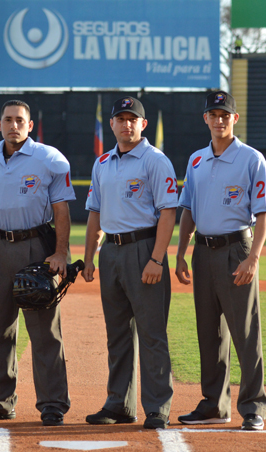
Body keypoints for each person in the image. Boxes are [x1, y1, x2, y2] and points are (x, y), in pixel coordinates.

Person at [0, 100, 75, 427]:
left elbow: (62, 211)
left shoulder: (49, 159)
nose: (14, 125)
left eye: (20, 120)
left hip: (36, 248)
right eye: (8, 120)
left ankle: (53, 403)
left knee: (44, 332)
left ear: (30, 125)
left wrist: (60, 253)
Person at [175, 91, 266, 431]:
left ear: (235, 118)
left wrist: (254, 258)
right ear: (206, 118)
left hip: (236, 250)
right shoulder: (197, 159)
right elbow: (187, 209)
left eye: (225, 114)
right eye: (213, 114)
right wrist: (181, 252)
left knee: (245, 333)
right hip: (202, 250)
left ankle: (253, 407)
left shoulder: (251, 159)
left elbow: (263, 214)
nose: (219, 120)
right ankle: (214, 404)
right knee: (209, 331)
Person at [83, 96, 177, 430]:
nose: (126, 124)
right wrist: (89, 257)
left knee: (151, 333)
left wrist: (157, 258)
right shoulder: (102, 162)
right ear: (112, 124)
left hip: (143, 247)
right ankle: (119, 404)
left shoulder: (155, 160)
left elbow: (168, 212)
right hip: (111, 250)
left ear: (143, 124)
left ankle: (157, 407)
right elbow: (94, 212)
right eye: (120, 119)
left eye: (132, 119)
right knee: (118, 334)